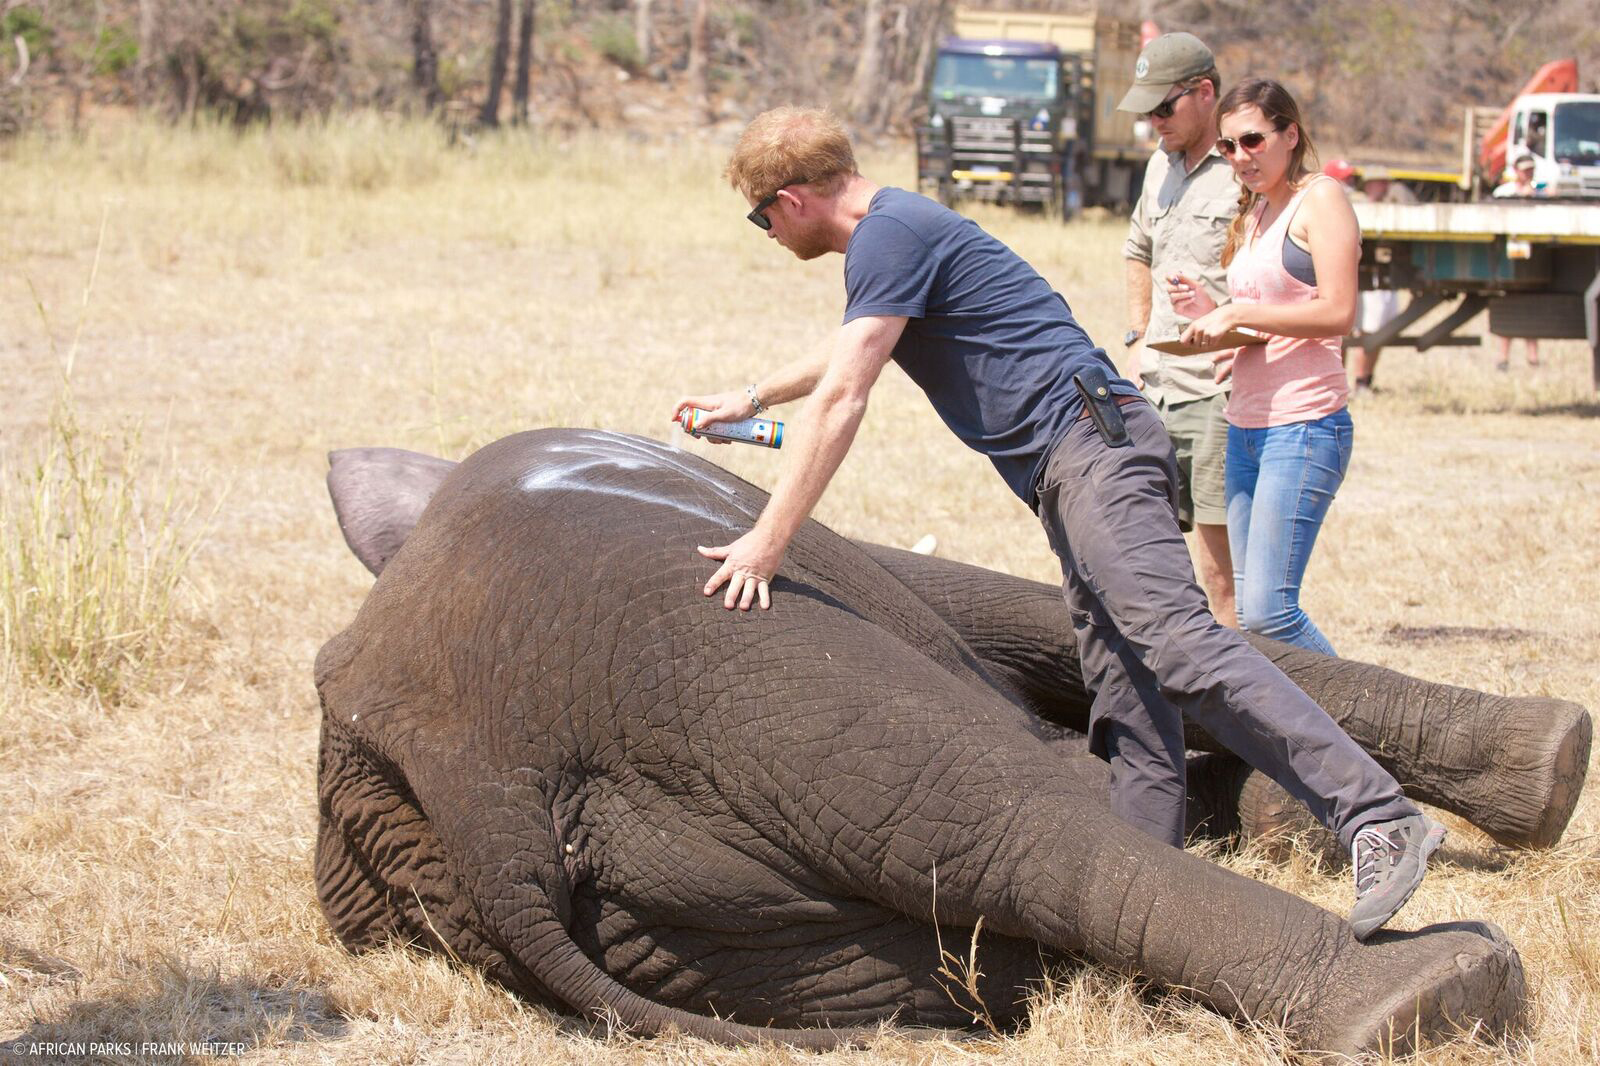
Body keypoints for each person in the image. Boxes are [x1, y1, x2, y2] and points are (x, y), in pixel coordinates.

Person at [677, 105, 1442, 940]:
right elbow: (853, 348)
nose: (767, 235)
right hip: (1073, 464)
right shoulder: (894, 231)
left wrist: (769, 540)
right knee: (1125, 686)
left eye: (761, 218)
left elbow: (845, 395)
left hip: (1093, 450)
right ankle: (1143, 904)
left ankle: (1377, 816)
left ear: (790, 199)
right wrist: (750, 400)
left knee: (1177, 643)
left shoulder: (887, 236)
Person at [1173, 78, 1359, 660]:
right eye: (1228, 147)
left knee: (1270, 613)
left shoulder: (1320, 199)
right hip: (1246, 426)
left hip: (1303, 428)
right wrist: (1216, 322)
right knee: (1251, 619)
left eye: (1252, 140)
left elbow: (1338, 312)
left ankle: (1367, 728)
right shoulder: (1256, 211)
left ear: (1290, 134)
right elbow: (1276, 323)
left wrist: (1241, 311)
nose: (1239, 157)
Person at [1117, 32, 1238, 628]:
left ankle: (1239, 710)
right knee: (1153, 564)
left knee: (1224, 576)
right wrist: (1137, 339)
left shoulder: (1246, 168)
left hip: (1217, 394)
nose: (1153, 121)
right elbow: (1137, 249)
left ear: (1206, 93)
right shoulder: (1158, 166)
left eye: (1164, 107)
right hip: (1156, 388)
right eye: (1146, 110)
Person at [1334, 164, 1415, 393]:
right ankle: (1339, 383)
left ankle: (1363, 380)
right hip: (1352, 273)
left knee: (1375, 329)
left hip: (1381, 276)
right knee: (1344, 331)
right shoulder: (1351, 203)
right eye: (1374, 182)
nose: (1378, 186)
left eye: (1381, 182)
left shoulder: (1396, 202)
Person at [1489, 151, 1542, 370]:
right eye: (1524, 169)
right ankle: (1503, 357)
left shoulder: (1541, 192)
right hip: (1508, 254)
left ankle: (1533, 357)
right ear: (1515, 170)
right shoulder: (1504, 192)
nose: (1528, 173)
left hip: (1534, 253)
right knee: (1509, 305)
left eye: (1531, 169)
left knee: (1532, 307)